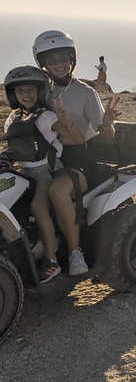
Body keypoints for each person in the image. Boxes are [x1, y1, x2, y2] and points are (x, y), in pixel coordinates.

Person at [33, 30, 122, 275]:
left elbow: (106, 135)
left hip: (81, 156)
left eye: (63, 57)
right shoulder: (42, 92)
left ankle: (75, 253)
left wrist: (106, 123)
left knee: (58, 191)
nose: (59, 64)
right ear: (43, 64)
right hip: (47, 156)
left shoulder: (86, 93)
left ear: (72, 59)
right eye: (52, 60)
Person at [3, 66, 85, 283]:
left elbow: (78, 139)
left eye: (31, 89)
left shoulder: (46, 117)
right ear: (13, 94)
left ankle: (52, 260)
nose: (26, 95)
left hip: (47, 174)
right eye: (20, 91)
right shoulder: (12, 120)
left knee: (38, 206)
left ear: (41, 92)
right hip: (24, 173)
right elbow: (16, 150)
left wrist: (67, 123)